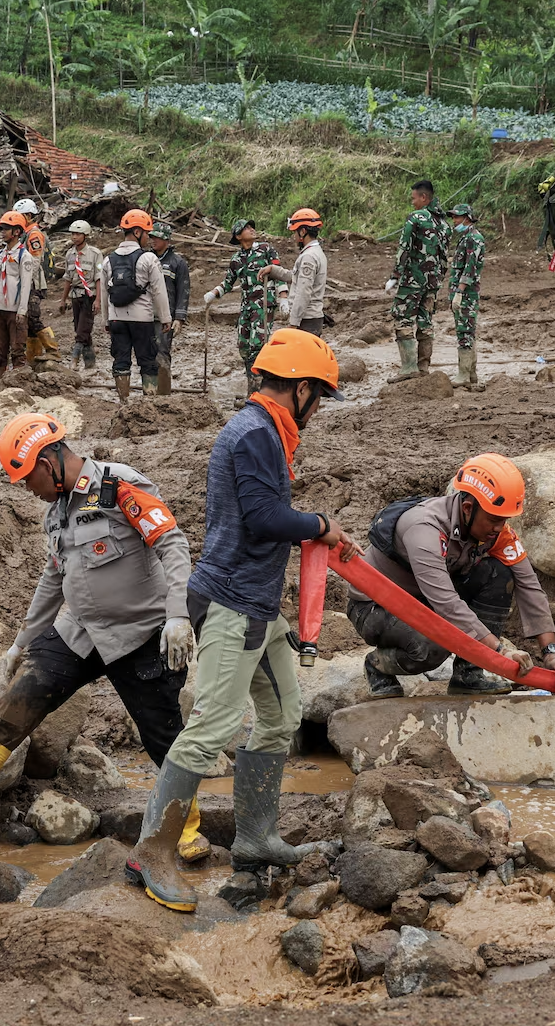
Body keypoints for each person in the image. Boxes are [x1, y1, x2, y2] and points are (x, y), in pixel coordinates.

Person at [0, 413, 207, 860]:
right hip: (80, 632)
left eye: (29, 478)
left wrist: (178, 616)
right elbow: (53, 579)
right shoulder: (57, 513)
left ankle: (184, 832)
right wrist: (22, 640)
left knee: (161, 735)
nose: (28, 489)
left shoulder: (119, 487)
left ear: (48, 463)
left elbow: (173, 544)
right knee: (12, 708)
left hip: (140, 634)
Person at [129, 328, 350, 913]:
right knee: (212, 727)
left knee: (281, 717)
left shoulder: (267, 433)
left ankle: (255, 837)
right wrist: (319, 523)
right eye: (320, 395)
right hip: (231, 603)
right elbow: (264, 517)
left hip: (257, 604)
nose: (320, 408)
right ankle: (152, 852)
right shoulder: (255, 434)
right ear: (300, 388)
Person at [351, 455, 555, 699]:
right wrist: (499, 651)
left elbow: (529, 584)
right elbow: (446, 603)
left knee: (499, 574)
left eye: (504, 520)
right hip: (376, 608)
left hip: (424, 599)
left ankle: (469, 674)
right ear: (468, 508)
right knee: (437, 643)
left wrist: (551, 651)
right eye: (493, 519)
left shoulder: (493, 531)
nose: (499, 528)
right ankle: (378, 665)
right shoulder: (424, 529)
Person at [201, 219, 282, 405]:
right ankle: (252, 390)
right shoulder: (236, 259)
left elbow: (278, 273)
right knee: (244, 347)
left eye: (252, 227)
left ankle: (259, 396)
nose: (252, 229)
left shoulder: (266, 249)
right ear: (238, 236)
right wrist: (213, 293)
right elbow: (229, 282)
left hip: (263, 305)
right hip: (246, 307)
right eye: (247, 228)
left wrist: (283, 297)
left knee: (257, 346)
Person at [102, 209, 169, 401]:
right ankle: (149, 402)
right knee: (147, 360)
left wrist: (106, 320)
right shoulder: (149, 258)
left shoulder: (108, 260)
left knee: (120, 360)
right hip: (142, 320)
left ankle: (123, 401)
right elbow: (159, 291)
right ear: (138, 232)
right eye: (147, 233)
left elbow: (104, 293)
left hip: (116, 319)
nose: (148, 238)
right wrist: (165, 318)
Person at [388, 180, 447, 382]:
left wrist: (395, 275)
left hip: (413, 279)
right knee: (425, 321)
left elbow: (404, 248)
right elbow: (445, 257)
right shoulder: (444, 222)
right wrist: (438, 279)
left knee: (402, 318)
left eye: (414, 198)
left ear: (424, 197)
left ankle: (408, 368)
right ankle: (423, 367)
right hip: (432, 282)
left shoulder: (416, 218)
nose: (412, 202)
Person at [0, 212, 34, 383]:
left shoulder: (24, 256)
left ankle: (18, 386)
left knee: (17, 348)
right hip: (0, 308)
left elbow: (26, 285)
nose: (2, 232)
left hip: (14, 309)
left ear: (17, 232)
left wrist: (22, 310)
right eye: (2, 229)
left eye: (6, 229)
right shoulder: (0, 255)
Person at [262, 209, 328, 336]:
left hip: (306, 320)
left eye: (295, 233)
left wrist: (294, 323)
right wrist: (274, 270)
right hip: (311, 318)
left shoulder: (309, 256)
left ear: (303, 231)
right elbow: (297, 277)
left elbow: (303, 291)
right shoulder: (316, 252)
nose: (294, 237)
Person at [446, 203, 488, 389]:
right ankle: (470, 374)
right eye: (453, 217)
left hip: (466, 294)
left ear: (468, 218)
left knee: (465, 332)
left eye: (457, 217)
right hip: (463, 293)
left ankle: (464, 374)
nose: (454, 220)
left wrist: (460, 292)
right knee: (467, 331)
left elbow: (470, 269)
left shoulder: (473, 239)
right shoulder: (466, 238)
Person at [13, 199, 57, 366]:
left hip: (34, 283)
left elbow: (36, 261)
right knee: (30, 324)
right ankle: (34, 359)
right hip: (28, 283)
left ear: (28, 216)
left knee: (32, 317)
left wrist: (24, 278)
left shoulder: (34, 234)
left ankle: (53, 352)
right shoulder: (26, 234)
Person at [148, 221, 189, 396]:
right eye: (152, 237)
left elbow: (183, 291)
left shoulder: (177, 263)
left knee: (162, 353)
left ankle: (163, 395)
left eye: (157, 237)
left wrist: (179, 317)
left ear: (167, 241)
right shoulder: (146, 258)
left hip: (165, 317)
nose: (153, 240)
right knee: (146, 354)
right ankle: (149, 392)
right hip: (145, 314)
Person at [58, 220, 103, 371]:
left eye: (78, 234)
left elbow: (99, 277)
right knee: (81, 328)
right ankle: (90, 364)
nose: (74, 237)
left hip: (89, 296)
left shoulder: (95, 254)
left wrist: (98, 300)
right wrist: (63, 300)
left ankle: (74, 360)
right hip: (75, 295)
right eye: (73, 234)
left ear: (85, 235)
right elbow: (68, 279)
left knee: (82, 330)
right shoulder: (70, 254)